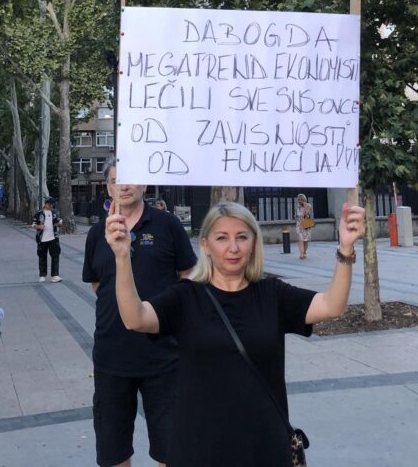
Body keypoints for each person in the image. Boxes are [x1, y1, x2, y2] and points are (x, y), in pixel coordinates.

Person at [106, 200, 366, 467]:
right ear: (205, 245)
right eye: (222, 238)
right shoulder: (185, 296)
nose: (233, 248)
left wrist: (345, 249)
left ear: (253, 243)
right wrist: (122, 257)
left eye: (242, 237)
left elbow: (332, 305)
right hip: (198, 448)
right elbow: (135, 318)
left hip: (264, 447)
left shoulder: (273, 294)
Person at [82, 163, 198, 467]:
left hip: (163, 355)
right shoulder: (97, 234)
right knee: (112, 450)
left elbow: (188, 275)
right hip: (111, 357)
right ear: (108, 189)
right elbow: (97, 284)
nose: (123, 185)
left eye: (131, 179)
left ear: (145, 185)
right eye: (115, 181)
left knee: (172, 447)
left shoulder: (167, 225)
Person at [32, 196, 62, 283]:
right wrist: (39, 226)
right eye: (49, 204)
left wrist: (59, 224)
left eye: (52, 204)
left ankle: (55, 275)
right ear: (45, 204)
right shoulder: (39, 213)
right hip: (42, 238)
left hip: (53, 238)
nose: (51, 206)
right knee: (42, 256)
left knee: (55, 256)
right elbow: (33, 224)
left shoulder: (54, 212)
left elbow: (59, 221)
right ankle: (42, 275)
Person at [294, 193, 313, 259]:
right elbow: (296, 215)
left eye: (301, 199)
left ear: (304, 199)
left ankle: (304, 252)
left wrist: (304, 206)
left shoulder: (308, 206)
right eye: (299, 199)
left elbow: (306, 214)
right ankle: (301, 254)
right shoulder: (297, 206)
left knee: (305, 240)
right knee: (300, 239)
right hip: (299, 225)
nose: (300, 201)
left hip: (306, 224)